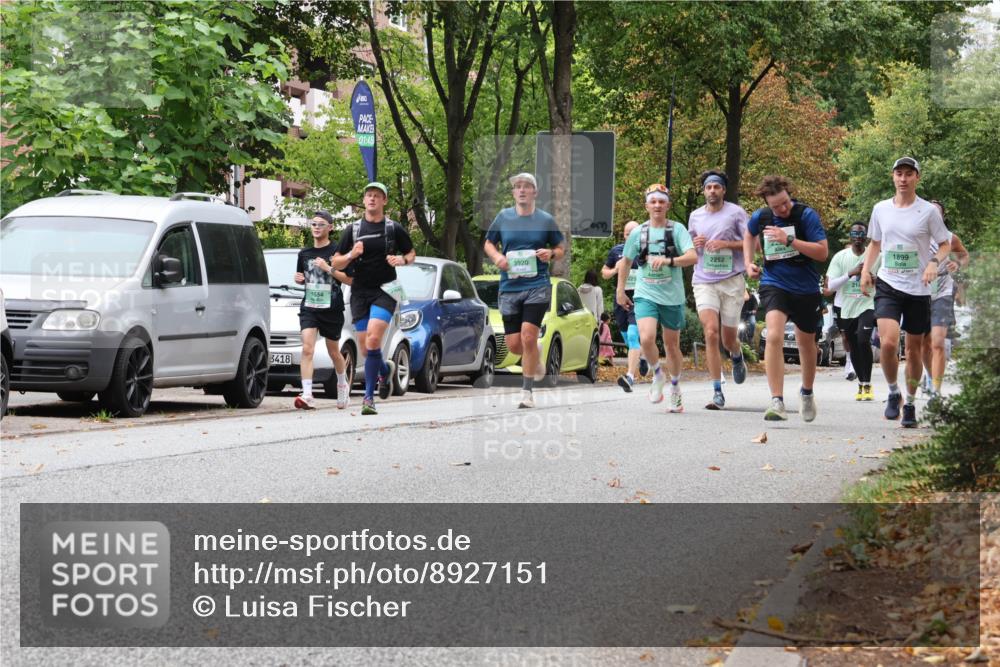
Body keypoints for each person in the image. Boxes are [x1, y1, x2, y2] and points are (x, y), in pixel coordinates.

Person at [860, 157, 951, 428]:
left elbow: (945, 244)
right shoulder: (880, 209)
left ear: (917, 178)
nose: (903, 179)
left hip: (918, 289)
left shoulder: (928, 211)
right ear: (893, 177)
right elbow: (875, 243)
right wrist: (866, 270)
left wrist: (933, 263)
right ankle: (893, 392)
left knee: (913, 350)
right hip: (888, 284)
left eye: (909, 174)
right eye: (899, 173)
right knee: (888, 343)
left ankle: (910, 402)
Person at [744, 175, 829, 422]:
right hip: (774, 283)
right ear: (767, 204)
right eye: (776, 206)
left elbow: (822, 252)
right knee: (773, 335)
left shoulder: (806, 215)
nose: (782, 209)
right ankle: (777, 400)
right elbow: (748, 234)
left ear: (789, 194)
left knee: (806, 343)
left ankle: (807, 392)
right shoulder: (761, 217)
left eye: (785, 202)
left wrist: (789, 239)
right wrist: (749, 263)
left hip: (805, 287)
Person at [332, 182, 416, 416]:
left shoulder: (393, 228)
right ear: (364, 200)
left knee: (373, 339)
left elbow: (411, 253)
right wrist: (352, 254)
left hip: (386, 289)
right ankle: (384, 370)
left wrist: (402, 260)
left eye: (377, 196)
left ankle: (368, 398)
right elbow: (336, 262)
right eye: (369, 195)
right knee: (366, 348)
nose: (372, 199)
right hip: (360, 291)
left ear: (384, 201)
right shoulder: (353, 230)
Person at [483, 172, 565, 409]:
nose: (521, 190)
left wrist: (551, 254)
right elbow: (488, 243)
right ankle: (535, 352)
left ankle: (526, 392)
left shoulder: (545, 220)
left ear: (534, 192)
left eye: (526, 186)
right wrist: (497, 257)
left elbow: (560, 248)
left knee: (528, 335)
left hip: (536, 285)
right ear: (513, 192)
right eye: (517, 186)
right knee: (514, 345)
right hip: (509, 288)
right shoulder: (503, 217)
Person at [616, 184, 697, 413]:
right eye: (653, 202)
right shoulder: (638, 233)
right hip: (645, 293)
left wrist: (669, 261)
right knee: (646, 338)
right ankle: (658, 374)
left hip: (672, 296)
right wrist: (620, 291)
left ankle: (675, 388)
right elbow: (626, 261)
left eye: (661, 201)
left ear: (668, 205)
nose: (657, 205)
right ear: (647, 206)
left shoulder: (677, 230)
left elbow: (692, 257)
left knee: (671, 345)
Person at [688, 170, 750, 410]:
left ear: (723, 190)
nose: (712, 191)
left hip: (732, 280)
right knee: (711, 332)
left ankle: (736, 354)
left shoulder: (736, 213)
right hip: (704, 280)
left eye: (716, 187)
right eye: (708, 187)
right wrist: (694, 244)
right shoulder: (695, 216)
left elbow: (751, 243)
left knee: (728, 339)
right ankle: (717, 391)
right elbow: (689, 247)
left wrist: (725, 243)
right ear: (704, 191)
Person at [293, 211, 353, 410]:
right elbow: (302, 276)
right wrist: (298, 278)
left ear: (330, 227)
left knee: (333, 352)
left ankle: (342, 384)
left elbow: (350, 280)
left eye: (321, 224)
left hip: (332, 308)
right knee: (307, 348)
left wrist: (328, 268)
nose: (316, 227)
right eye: (313, 224)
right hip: (310, 307)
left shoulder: (337, 252)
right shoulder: (304, 253)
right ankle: (307, 394)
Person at [824, 222, 879, 402]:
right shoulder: (840, 257)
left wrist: (875, 279)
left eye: (861, 234)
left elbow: (887, 280)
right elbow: (830, 287)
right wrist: (850, 273)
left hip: (867, 304)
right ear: (850, 236)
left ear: (866, 237)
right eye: (854, 233)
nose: (858, 237)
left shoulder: (876, 255)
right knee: (853, 345)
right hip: (846, 308)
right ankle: (861, 383)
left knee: (863, 339)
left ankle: (868, 384)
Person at [921, 200, 968, 398]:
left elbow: (964, 255)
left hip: (942, 290)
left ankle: (936, 391)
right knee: (923, 344)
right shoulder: (916, 235)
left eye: (936, 212)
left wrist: (958, 264)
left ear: (942, 216)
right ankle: (930, 376)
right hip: (919, 290)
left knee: (938, 341)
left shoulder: (950, 238)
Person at [603, 220, 648, 392]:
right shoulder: (616, 251)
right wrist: (615, 270)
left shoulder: (646, 251)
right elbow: (604, 273)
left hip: (639, 299)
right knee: (627, 337)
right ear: (624, 235)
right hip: (620, 299)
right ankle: (642, 357)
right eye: (628, 233)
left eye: (635, 233)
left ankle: (630, 376)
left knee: (632, 335)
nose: (631, 236)